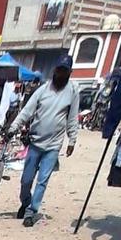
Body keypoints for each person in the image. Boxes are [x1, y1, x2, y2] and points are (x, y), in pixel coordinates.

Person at [8, 55, 79, 227]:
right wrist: (13, 127)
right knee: (26, 179)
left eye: (64, 71)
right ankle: (25, 202)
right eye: (59, 70)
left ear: (70, 72)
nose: (60, 74)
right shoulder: (42, 90)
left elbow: (72, 118)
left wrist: (72, 140)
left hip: (53, 146)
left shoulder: (73, 91)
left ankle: (31, 212)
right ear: (55, 70)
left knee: (42, 181)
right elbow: (27, 112)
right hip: (35, 142)